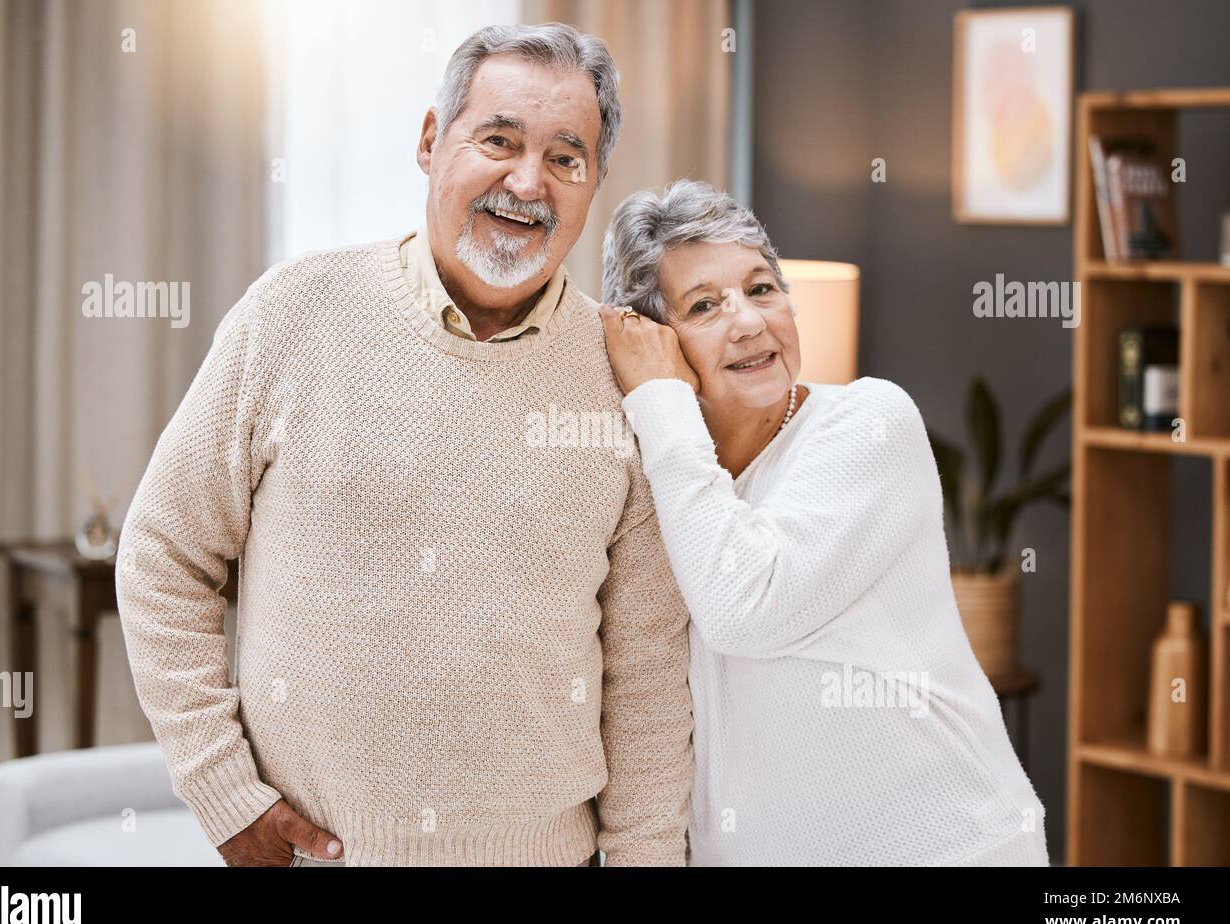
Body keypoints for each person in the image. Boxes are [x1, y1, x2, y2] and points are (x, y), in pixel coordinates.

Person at [116, 24, 693, 868]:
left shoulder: (628, 373)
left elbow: (646, 674)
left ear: (594, 180)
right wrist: (225, 793)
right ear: (431, 141)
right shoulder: (292, 313)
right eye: (498, 140)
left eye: (567, 158)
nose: (526, 181)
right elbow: (163, 554)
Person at [598, 179, 1050, 866]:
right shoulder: (666, 483)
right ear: (655, 341)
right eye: (705, 305)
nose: (749, 321)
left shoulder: (867, 425)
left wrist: (660, 399)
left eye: (761, 288)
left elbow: (744, 605)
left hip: (949, 849)